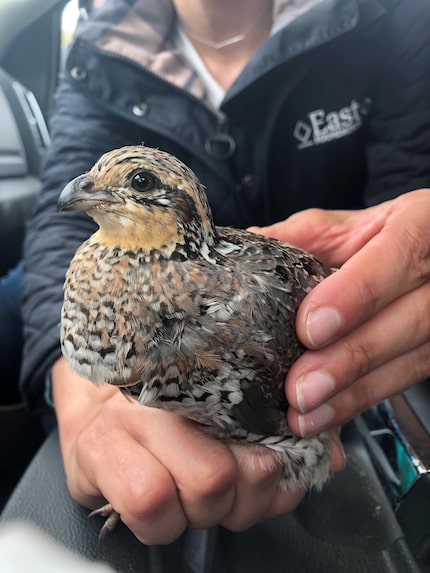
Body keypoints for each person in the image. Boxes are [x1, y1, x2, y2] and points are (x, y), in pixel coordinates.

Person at [19, 0, 430, 546]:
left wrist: (409, 254)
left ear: (179, 212)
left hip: (351, 370)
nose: (86, 190)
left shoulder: (392, 18)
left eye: (138, 184)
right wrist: (81, 403)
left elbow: (407, 188)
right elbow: (53, 227)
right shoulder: (102, 46)